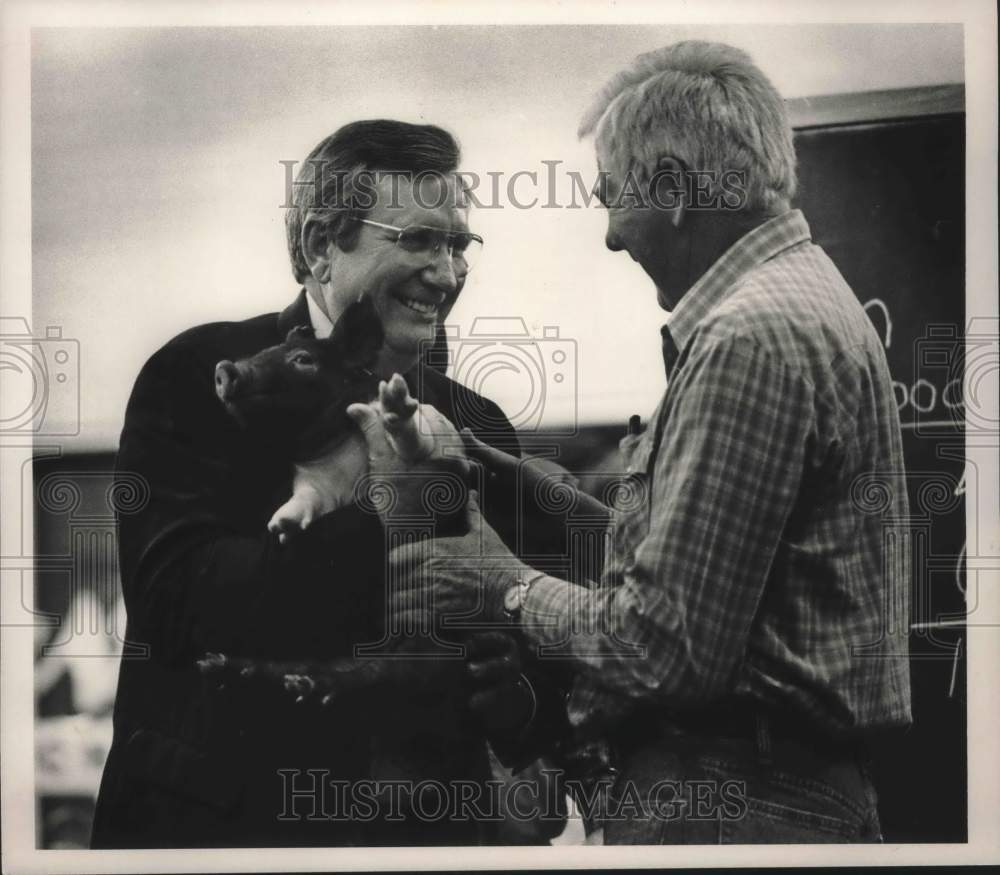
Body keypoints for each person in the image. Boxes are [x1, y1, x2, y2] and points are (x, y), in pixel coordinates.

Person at [369, 41, 913, 844]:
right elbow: (738, 574)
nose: (612, 238)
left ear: (672, 189)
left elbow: (667, 649)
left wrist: (505, 585)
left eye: (612, 197)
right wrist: (550, 494)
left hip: (729, 801)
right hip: (775, 794)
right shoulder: (804, 298)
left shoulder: (747, 338)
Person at [91, 120, 541, 847]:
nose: (447, 273)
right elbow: (173, 603)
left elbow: (524, 656)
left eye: (460, 245)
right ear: (320, 246)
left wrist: (510, 683)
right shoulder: (201, 373)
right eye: (419, 240)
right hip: (230, 837)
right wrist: (389, 518)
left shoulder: (478, 423)